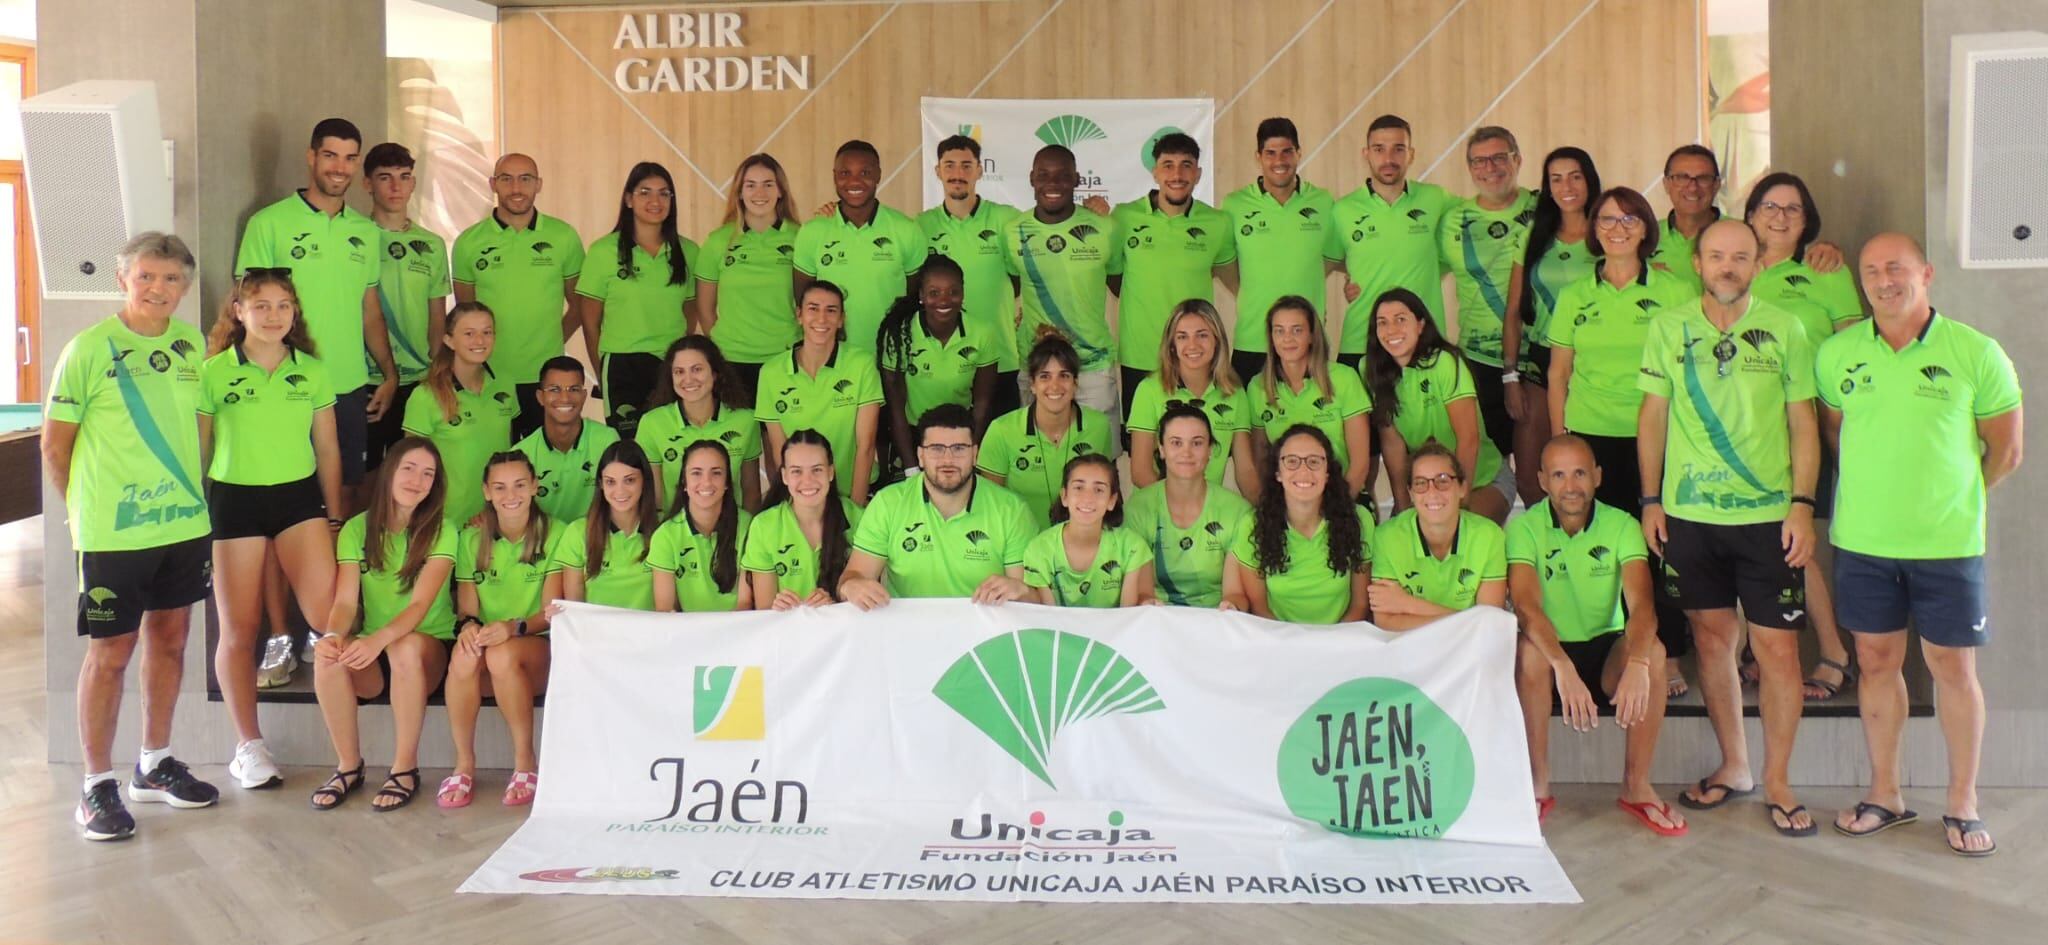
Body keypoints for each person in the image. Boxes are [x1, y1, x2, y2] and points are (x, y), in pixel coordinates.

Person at [1823, 233, 2021, 856]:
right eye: (1871, 270)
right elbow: (1837, 434)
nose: (1884, 280)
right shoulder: (1836, 354)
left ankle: (1963, 802)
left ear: (1926, 273)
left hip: (1947, 545)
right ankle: (1886, 794)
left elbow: (2006, 450)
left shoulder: (1976, 351)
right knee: (1876, 665)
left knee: (1953, 670)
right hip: (1862, 542)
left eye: (1897, 268)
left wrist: (1950, 500)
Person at [1638, 219, 1820, 837]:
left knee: (1777, 650)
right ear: (1697, 262)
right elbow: (1653, 417)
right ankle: (1736, 766)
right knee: (1712, 642)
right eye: (1716, 256)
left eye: (1740, 257)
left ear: (1758, 264)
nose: (1727, 266)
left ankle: (1779, 781)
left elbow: (1803, 425)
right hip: (1690, 516)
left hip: (1768, 518)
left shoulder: (1788, 329)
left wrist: (1801, 502)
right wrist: (1650, 498)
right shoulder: (1668, 327)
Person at [45, 233, 218, 839]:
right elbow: (54, 445)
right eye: (146, 276)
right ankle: (96, 786)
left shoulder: (191, 343)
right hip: (113, 534)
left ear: (185, 286)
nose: (158, 289)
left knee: (170, 644)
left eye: (171, 279)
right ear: (124, 279)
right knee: (110, 654)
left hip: (182, 524)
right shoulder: (89, 349)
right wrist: (86, 517)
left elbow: (198, 429)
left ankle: (154, 763)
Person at [1542, 186, 1696, 694]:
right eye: (1607, 219)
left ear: (1646, 229)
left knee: (1660, 549)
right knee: (1607, 549)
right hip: (1590, 438)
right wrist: (1561, 440)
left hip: (1656, 437)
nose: (1617, 228)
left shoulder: (1674, 292)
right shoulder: (1575, 294)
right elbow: (1559, 374)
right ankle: (1617, 651)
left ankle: (1667, 652)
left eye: (1630, 219)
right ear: (1594, 229)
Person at [198, 270, 344, 790]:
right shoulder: (211, 373)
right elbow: (201, 450)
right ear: (238, 310)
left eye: (284, 304)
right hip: (233, 504)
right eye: (261, 305)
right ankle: (248, 746)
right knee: (238, 631)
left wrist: (334, 515)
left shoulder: (313, 372)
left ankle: (346, 747)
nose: (274, 314)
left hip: (299, 501)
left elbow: (328, 449)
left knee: (330, 619)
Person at [1510, 434, 1683, 836]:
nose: (1571, 486)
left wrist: (1639, 662)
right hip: (1552, 656)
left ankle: (1636, 785)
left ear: (1598, 477)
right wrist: (1563, 667)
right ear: (1541, 480)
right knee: (1529, 652)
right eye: (1558, 475)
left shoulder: (1622, 525)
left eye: (1580, 473)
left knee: (1653, 651)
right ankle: (1537, 784)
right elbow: (1526, 608)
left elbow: (1641, 607)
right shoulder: (1526, 529)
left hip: (1606, 655)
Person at [1746, 171, 1862, 702]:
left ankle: (1834, 651)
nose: (1781, 216)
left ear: (1807, 219)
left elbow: (1850, 349)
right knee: (1758, 538)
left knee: (1793, 539)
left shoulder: (1826, 270)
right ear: (1750, 214)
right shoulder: (1734, 267)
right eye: (1770, 206)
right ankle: (1765, 647)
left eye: (1793, 209)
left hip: (1806, 425)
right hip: (1742, 430)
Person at [236, 118, 396, 495]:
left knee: (344, 495)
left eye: (349, 158)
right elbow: (246, 307)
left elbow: (369, 309)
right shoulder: (269, 223)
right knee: (285, 492)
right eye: (330, 155)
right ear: (311, 157)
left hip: (347, 386)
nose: (340, 167)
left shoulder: (366, 232)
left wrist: (389, 374)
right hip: (284, 383)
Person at [309, 437, 457, 813]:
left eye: (428, 474)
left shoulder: (444, 529)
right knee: (328, 656)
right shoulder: (357, 530)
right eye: (409, 468)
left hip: (425, 649)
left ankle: (404, 768)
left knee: (403, 646)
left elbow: (421, 604)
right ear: (390, 471)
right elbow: (344, 603)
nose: (417, 480)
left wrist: (378, 640)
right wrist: (332, 635)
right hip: (375, 652)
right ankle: (348, 767)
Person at [442, 452, 564, 809]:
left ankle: (525, 762)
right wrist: (468, 628)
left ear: (534, 487)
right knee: (463, 657)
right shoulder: (470, 539)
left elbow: (551, 613)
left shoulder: (556, 532)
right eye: (500, 487)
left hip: (535, 649)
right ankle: (464, 764)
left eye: (520, 485)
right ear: (486, 492)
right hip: (490, 652)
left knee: (502, 652)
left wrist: (513, 627)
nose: (511, 495)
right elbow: (467, 608)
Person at [839, 404, 1038, 607]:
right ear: (920, 456)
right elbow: (854, 576)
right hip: (907, 631)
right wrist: (852, 586)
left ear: (975, 454)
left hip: (985, 635)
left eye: (959, 448)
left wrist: (1020, 591)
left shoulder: (1012, 510)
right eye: (936, 449)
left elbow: (1032, 601)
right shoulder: (887, 503)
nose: (948, 459)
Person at [451, 153, 585, 439]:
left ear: (539, 184)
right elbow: (465, 313)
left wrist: (551, 338)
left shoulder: (564, 237)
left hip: (546, 377)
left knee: (544, 465)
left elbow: (579, 305)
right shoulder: (468, 242)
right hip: (488, 376)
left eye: (525, 179)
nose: (516, 188)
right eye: (506, 179)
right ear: (492, 184)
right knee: (495, 462)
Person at [1111, 132, 1237, 412]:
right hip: (1141, 356)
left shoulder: (1218, 223)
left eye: (1186, 165)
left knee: (1194, 445)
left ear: (1198, 173)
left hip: (1194, 357)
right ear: (1155, 172)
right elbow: (1114, 277)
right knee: (1141, 446)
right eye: (1167, 165)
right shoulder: (1123, 217)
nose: (1177, 174)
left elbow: (1233, 279)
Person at [1503, 147, 1601, 505]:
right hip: (1540, 361)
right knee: (1531, 478)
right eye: (1556, 179)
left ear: (1589, 179)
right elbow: (1513, 310)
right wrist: (1510, 376)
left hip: (1593, 363)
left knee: (1588, 473)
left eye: (1575, 176)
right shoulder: (1533, 236)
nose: (1567, 186)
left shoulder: (1607, 231)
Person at [1364, 288, 1511, 524]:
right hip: (1425, 488)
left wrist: (1457, 502)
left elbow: (1468, 439)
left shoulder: (1445, 361)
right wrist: (1403, 508)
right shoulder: (1372, 370)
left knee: (1457, 531)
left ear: (1420, 325)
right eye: (1382, 323)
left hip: (1480, 480)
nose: (1391, 329)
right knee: (1403, 538)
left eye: (1400, 319)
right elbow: (1392, 446)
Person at [1002, 145, 1125, 422]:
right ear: (1032, 179)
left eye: (1062, 175)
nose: (1053, 184)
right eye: (1044, 175)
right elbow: (1013, 288)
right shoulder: (1013, 232)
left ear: (1077, 180)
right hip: (1037, 366)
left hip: (1092, 366)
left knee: (1098, 460)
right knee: (1039, 459)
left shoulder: (1106, 228)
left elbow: (1120, 287)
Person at [577, 161, 698, 436]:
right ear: (629, 199)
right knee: (632, 453)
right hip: (622, 366)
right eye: (645, 192)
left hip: (672, 366)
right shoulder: (603, 251)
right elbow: (590, 320)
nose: (655, 201)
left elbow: (691, 309)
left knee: (673, 446)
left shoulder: (689, 252)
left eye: (664, 193)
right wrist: (600, 369)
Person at [1437, 126, 1534, 467]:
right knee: (1484, 469)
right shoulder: (1452, 221)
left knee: (1538, 468)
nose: (1489, 168)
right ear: (1470, 168)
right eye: (1479, 161)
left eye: (1498, 157)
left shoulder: (1544, 209)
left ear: (1517, 160)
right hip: (1478, 361)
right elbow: (1418, 272)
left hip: (1538, 358)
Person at [1327, 114, 1453, 371]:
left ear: (1411, 154)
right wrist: (1354, 274)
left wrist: (1433, 271)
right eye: (1379, 149)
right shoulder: (1342, 210)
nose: (1388, 159)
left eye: (1398, 149)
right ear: (1366, 154)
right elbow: (1330, 259)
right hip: (1361, 342)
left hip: (1423, 339)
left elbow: (1474, 224)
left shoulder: (1436, 199)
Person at [918, 134, 1025, 417]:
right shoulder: (920, 226)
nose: (958, 174)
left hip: (1000, 358)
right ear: (937, 171)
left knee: (999, 455)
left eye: (966, 165)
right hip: (942, 364)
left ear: (980, 170)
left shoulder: (1007, 219)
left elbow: (1021, 277)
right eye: (949, 165)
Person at [1223, 117, 1335, 382]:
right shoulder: (1234, 204)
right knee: (1253, 423)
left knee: (1311, 421)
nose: (1279, 161)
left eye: (1287, 151)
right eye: (1270, 153)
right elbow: (1225, 266)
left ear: (1298, 153)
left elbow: (1334, 258)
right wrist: (1254, 293)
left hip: (1308, 341)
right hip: (1253, 340)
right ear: (1258, 157)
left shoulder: (1323, 202)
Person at [1223, 424, 1372, 624]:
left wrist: (1332, 643)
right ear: (1278, 473)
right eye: (1292, 462)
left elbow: (1360, 605)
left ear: (1328, 472)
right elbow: (1259, 607)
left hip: (1340, 640)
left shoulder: (1358, 520)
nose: (1303, 471)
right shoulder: (1253, 526)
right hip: (1280, 642)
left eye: (1314, 462)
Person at [362, 142, 450, 476]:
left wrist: (437, 373)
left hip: (419, 379)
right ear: (367, 183)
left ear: (414, 183)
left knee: (415, 471)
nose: (396, 187)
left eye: (404, 177)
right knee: (367, 476)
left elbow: (437, 316)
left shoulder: (431, 245)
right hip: (366, 377)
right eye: (385, 177)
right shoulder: (354, 237)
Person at [793, 139, 928, 352]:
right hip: (832, 354)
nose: (854, 182)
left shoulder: (906, 230)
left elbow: (915, 299)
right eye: (845, 173)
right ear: (835, 176)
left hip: (890, 354)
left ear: (878, 175)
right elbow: (803, 298)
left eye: (865, 173)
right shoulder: (812, 231)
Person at [755, 281, 884, 503]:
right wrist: (797, 505)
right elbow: (779, 452)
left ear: (842, 319)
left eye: (831, 310)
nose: (822, 319)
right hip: (803, 496)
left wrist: (855, 508)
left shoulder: (861, 364)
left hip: (852, 493)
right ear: (799, 315)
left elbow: (866, 445)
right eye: (813, 309)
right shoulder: (771, 372)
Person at [979, 332, 1117, 529]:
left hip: (1080, 545)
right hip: (1021, 548)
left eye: (1064, 376)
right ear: (1032, 385)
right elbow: (991, 507)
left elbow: (1104, 492)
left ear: (1076, 383)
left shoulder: (1099, 426)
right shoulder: (1001, 430)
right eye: (1045, 376)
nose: (1055, 386)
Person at [1367, 444, 1509, 631]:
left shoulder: (1489, 536)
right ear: (1410, 493)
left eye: (1442, 481)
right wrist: (1467, 622)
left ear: (1462, 488)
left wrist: (1408, 604)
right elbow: (1386, 622)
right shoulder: (1386, 537)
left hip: (1468, 650)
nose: (1432, 492)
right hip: (1410, 646)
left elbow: (1490, 626)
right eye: (1420, 483)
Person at [399, 301, 518, 525]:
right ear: (449, 340)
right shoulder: (425, 396)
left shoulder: (506, 384)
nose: (480, 341)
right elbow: (411, 469)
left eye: (487, 332)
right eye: (469, 333)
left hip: (495, 517)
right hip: (444, 521)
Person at [1125, 404, 1253, 608]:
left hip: (1215, 620)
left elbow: (1236, 593)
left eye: (1197, 443)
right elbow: (1141, 592)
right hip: (1158, 619)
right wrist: (1146, 605)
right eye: (1176, 443)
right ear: (1162, 449)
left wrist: (1232, 607)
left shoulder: (1237, 511)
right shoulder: (1138, 509)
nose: (1186, 452)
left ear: (1210, 450)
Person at [1126, 300, 1258, 497]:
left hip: (1210, 514)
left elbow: (1246, 471)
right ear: (1172, 345)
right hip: (1159, 509)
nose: (1192, 345)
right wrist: (1183, 508)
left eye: (1202, 335)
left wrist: (1268, 515)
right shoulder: (1149, 390)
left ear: (1217, 340)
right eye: (1182, 337)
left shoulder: (1234, 393)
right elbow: (1140, 472)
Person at [699, 153, 801, 405]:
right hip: (732, 360)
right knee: (740, 442)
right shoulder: (718, 241)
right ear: (739, 193)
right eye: (750, 185)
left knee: (783, 441)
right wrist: (723, 351)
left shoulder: (801, 237)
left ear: (780, 191)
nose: (760, 192)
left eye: (768, 184)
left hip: (784, 356)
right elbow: (705, 308)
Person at [1251, 297, 1374, 502]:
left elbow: (1360, 464)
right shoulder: (1258, 386)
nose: (1287, 338)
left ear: (1312, 336)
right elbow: (1262, 460)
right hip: (1288, 502)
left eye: (1297, 330)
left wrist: (1336, 510)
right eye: (1279, 330)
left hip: (1343, 497)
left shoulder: (1343, 378)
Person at [877, 255, 996, 466]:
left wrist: (970, 451)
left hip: (960, 435)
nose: (944, 300)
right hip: (914, 438)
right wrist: (911, 466)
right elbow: (895, 408)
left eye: (953, 292)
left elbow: (982, 403)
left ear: (963, 293)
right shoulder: (899, 335)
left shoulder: (982, 334)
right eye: (934, 293)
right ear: (921, 295)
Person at [636, 335, 762, 511]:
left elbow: (751, 492)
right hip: (675, 531)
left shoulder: (745, 420)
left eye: (697, 369)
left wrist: (748, 535)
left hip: (731, 528)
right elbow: (654, 499)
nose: (688, 379)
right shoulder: (652, 423)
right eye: (679, 372)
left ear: (715, 373)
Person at [744, 429, 857, 608]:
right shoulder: (764, 525)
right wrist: (778, 607)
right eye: (797, 471)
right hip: (786, 632)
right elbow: (764, 610)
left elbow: (869, 595)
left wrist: (834, 605)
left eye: (817, 470)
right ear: (784, 476)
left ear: (831, 472)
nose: (808, 480)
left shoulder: (858, 518)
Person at [1023, 454, 1156, 607]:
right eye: (1079, 487)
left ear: (1112, 501)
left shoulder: (1132, 547)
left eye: (1099, 490)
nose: (1088, 498)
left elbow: (1128, 615)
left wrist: (1147, 603)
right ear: (1064, 496)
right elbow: (1048, 617)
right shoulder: (1039, 549)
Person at [649, 440, 754, 612]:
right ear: (684, 481)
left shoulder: (749, 526)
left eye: (716, 473)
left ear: (727, 481)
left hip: (739, 632)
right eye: (696, 473)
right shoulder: (665, 535)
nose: (706, 482)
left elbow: (745, 603)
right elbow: (666, 610)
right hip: (689, 635)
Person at [513, 356, 620, 524]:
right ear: (540, 397)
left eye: (574, 389)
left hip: (595, 542)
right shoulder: (521, 454)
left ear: (584, 396)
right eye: (555, 389)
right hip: (545, 545)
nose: (565, 398)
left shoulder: (607, 440)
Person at [559, 440, 659, 611]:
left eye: (629, 480)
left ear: (644, 480)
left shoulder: (663, 532)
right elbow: (575, 609)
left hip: (650, 634)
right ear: (600, 484)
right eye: (610, 482)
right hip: (597, 635)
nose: (620, 491)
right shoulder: (578, 532)